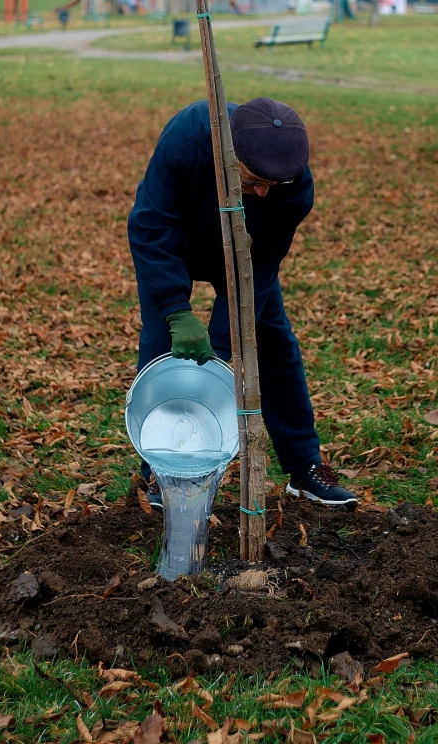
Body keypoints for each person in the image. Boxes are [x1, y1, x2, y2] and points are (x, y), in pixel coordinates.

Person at [128, 97, 358, 509]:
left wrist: (220, 343)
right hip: (175, 244)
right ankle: (161, 473)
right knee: (163, 341)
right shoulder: (189, 137)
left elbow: (263, 261)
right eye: (252, 181)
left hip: (242, 258)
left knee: (274, 344)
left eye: (274, 185)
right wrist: (176, 310)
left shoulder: (294, 189)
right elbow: (150, 224)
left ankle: (304, 466)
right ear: (228, 156)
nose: (264, 193)